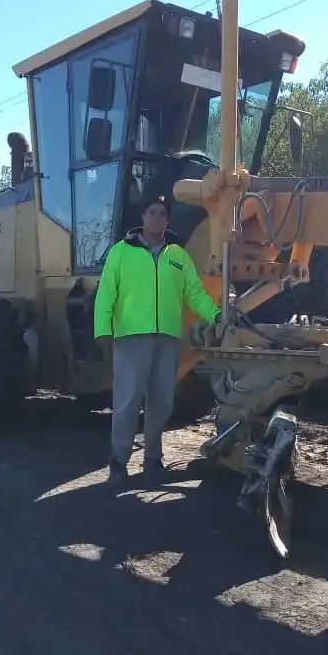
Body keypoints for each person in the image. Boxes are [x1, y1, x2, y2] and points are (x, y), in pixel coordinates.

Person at [94, 195, 221, 487]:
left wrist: (216, 315)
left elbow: (195, 294)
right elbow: (106, 294)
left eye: (161, 213)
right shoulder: (121, 253)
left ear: (167, 220)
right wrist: (103, 329)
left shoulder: (178, 256)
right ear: (142, 217)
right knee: (127, 401)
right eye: (151, 212)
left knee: (162, 402)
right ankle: (118, 461)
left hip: (166, 339)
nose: (156, 218)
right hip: (131, 337)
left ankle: (153, 458)